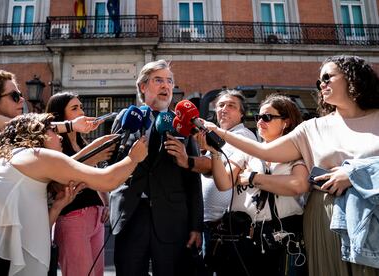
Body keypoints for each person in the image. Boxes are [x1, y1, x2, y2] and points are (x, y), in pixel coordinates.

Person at [204, 55, 379, 276]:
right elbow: (263, 151)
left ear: (352, 78)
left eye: (327, 77)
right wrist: (218, 133)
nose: (321, 84)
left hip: (373, 213)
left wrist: (353, 174)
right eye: (319, 81)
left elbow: (297, 184)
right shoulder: (312, 128)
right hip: (325, 217)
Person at [0, 113, 147, 276]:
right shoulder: (36, 155)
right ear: (36, 135)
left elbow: (37, 231)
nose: (59, 136)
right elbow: (107, 180)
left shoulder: (19, 161)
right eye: (52, 130)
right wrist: (134, 158)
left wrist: (57, 207)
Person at [110, 59, 203, 276]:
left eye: (169, 81)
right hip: (131, 216)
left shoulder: (183, 124)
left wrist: (196, 225)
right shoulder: (124, 119)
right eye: (158, 80)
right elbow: (111, 167)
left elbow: (193, 177)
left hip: (172, 219)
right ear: (143, 87)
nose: (166, 86)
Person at [201, 94, 308, 275]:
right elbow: (224, 183)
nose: (259, 122)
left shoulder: (297, 153)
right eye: (258, 117)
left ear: (286, 122)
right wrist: (215, 153)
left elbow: (297, 185)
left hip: (283, 236)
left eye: (266, 117)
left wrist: (252, 178)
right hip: (247, 237)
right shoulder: (249, 152)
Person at [164, 89, 257, 275]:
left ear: (241, 113)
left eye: (231, 106)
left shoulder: (242, 136)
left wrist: (187, 160)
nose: (224, 109)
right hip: (208, 226)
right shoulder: (216, 136)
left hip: (225, 229)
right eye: (221, 105)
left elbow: (217, 167)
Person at [45, 92, 113, 276]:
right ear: (60, 116)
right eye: (74, 108)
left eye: (81, 107)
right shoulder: (54, 145)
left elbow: (95, 176)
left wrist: (106, 203)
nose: (81, 112)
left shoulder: (83, 143)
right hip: (72, 217)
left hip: (96, 216)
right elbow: (63, 176)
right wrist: (94, 156)